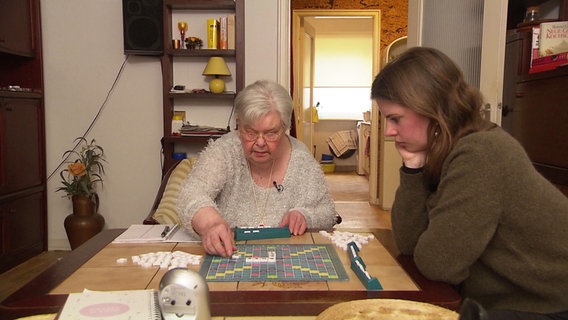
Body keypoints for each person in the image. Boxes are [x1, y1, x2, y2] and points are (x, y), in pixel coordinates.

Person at [371, 47, 568, 319]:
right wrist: (413, 168)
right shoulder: (446, 149)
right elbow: (409, 244)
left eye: (395, 118)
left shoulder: (480, 152)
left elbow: (437, 264)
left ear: (430, 107)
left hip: (546, 306)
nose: (389, 131)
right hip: (506, 301)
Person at [177, 80, 338, 257]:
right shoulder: (224, 150)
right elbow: (191, 193)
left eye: (271, 133)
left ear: (284, 127)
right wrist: (210, 224)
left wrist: (305, 216)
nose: (260, 143)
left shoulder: (301, 159)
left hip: (285, 258)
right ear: (239, 125)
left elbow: (327, 212)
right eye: (250, 132)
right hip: (229, 254)